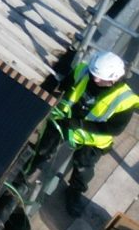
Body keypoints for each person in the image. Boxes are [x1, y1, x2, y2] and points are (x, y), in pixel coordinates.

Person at [54, 51, 139, 205]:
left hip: (92, 140)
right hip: (65, 123)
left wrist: (79, 124)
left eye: (101, 78)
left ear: (114, 78)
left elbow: (114, 129)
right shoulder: (84, 71)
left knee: (83, 167)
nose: (95, 79)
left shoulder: (125, 100)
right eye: (94, 74)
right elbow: (66, 85)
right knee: (45, 148)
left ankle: (74, 192)